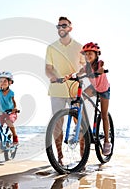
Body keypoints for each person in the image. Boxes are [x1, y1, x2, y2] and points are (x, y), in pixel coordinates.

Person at [45, 16, 86, 164]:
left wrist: (79, 74)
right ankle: (60, 158)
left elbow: (84, 66)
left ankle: (83, 157)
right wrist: (53, 77)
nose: (61, 28)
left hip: (75, 89)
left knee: (79, 122)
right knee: (57, 123)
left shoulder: (79, 47)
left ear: (70, 28)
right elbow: (48, 69)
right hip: (57, 90)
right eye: (59, 26)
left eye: (64, 25)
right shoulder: (51, 47)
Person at [65, 42, 112, 155]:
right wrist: (71, 76)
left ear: (96, 55)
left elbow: (101, 69)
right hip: (94, 88)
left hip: (104, 90)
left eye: (90, 54)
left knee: (104, 115)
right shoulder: (86, 67)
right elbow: (79, 72)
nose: (88, 56)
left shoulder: (100, 63)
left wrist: (98, 72)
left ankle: (106, 142)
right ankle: (80, 125)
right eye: (86, 54)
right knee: (78, 100)